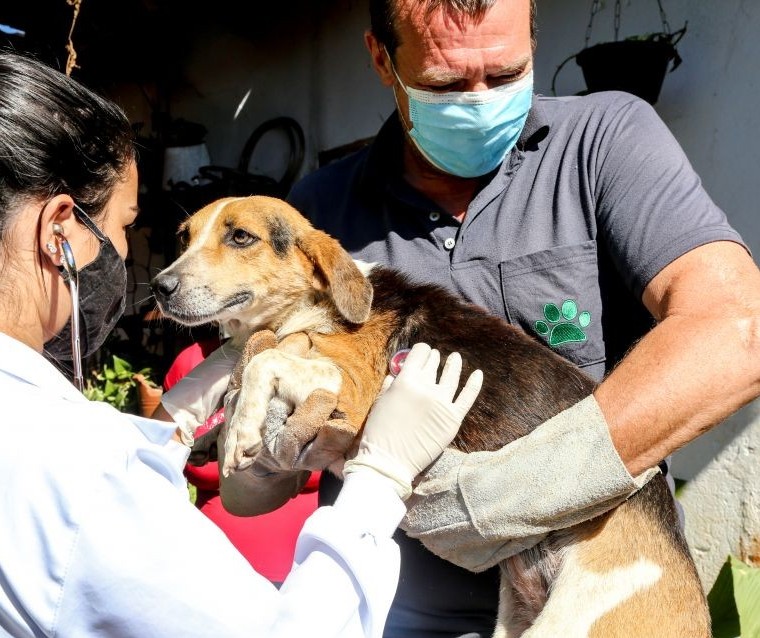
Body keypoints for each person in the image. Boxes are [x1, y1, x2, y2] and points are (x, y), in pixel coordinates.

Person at [265, 0, 760, 636]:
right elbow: (284, 448)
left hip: (597, 601)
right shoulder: (321, 210)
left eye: (504, 76)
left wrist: (504, 498)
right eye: (446, 84)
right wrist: (263, 450)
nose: (479, 100)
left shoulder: (605, 140)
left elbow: (737, 328)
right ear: (381, 60)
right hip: (396, 612)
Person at [0, 50, 484, 638]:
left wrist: (178, 422)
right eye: (127, 223)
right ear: (59, 233)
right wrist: (380, 480)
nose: (149, 266)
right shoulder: (79, 468)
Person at [162, 338, 322, 586]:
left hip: (308, 577)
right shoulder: (194, 362)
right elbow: (153, 463)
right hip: (211, 572)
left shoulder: (324, 363)